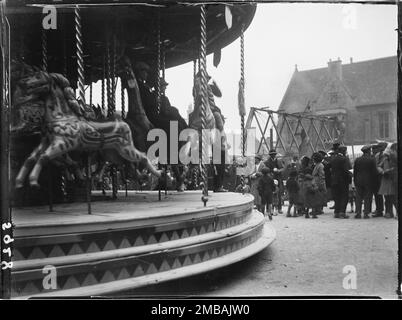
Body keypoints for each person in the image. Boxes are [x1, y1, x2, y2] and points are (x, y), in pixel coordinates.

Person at [353, 145, 377, 219]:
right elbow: (374, 172)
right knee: (367, 197)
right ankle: (366, 213)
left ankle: (358, 213)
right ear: (369, 151)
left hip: (359, 181)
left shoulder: (357, 159)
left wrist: (355, 180)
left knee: (358, 197)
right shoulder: (371, 160)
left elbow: (355, 172)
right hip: (368, 181)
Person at [329, 144, 351, 218]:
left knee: (337, 196)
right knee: (344, 196)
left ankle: (336, 212)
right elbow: (346, 170)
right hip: (343, 181)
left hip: (334, 180)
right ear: (344, 151)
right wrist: (349, 176)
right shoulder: (344, 159)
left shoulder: (333, 159)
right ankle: (342, 212)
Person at [378, 143, 397, 218]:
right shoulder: (385, 159)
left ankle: (396, 213)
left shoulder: (395, 160)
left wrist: (390, 170)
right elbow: (379, 166)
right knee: (387, 198)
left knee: (394, 198)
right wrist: (382, 171)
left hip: (393, 180)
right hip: (386, 180)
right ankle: (388, 212)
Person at [264, 149, 284, 214]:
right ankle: (269, 209)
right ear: (270, 155)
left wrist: (278, 170)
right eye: (271, 154)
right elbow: (265, 170)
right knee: (269, 193)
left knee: (279, 193)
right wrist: (270, 174)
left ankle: (279, 208)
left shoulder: (279, 161)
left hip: (278, 178)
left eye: (274, 154)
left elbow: (282, 168)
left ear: (275, 154)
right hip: (270, 179)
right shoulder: (267, 162)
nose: (273, 155)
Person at [372, 142, 387, 217]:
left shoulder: (386, 154)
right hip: (377, 177)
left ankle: (388, 211)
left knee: (387, 196)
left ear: (384, 146)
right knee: (378, 194)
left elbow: (383, 164)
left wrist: (378, 167)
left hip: (384, 176)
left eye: (380, 146)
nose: (379, 148)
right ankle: (379, 210)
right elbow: (376, 164)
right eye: (379, 146)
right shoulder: (377, 155)